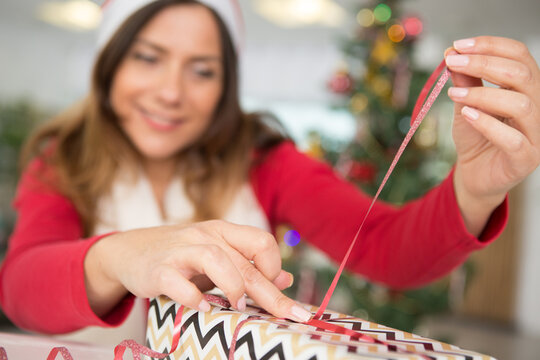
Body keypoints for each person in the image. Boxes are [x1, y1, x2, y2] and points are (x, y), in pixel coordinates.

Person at [1, 0, 539, 345]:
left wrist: (474, 186)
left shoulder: (264, 159)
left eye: (203, 70)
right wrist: (119, 255)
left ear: (226, 85)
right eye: (147, 57)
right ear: (109, 63)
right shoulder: (62, 157)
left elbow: (385, 247)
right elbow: (20, 288)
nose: (170, 91)